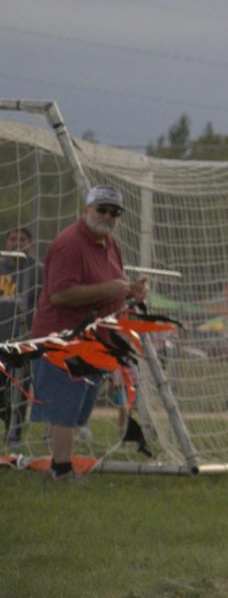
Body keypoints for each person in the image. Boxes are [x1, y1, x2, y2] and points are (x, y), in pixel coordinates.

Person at [29, 186, 147, 479]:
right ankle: (61, 469)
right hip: (63, 338)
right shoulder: (69, 243)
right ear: (85, 210)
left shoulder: (109, 244)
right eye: (102, 209)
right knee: (65, 408)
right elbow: (59, 295)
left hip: (96, 340)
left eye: (114, 212)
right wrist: (108, 290)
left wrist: (132, 292)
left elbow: (115, 287)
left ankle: (61, 463)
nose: (108, 216)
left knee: (79, 409)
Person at [1, 226, 42, 446]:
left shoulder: (37, 270)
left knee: (19, 387)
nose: (17, 243)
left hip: (23, 339)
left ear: (30, 244)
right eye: (12, 239)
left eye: (22, 239)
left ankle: (14, 433)